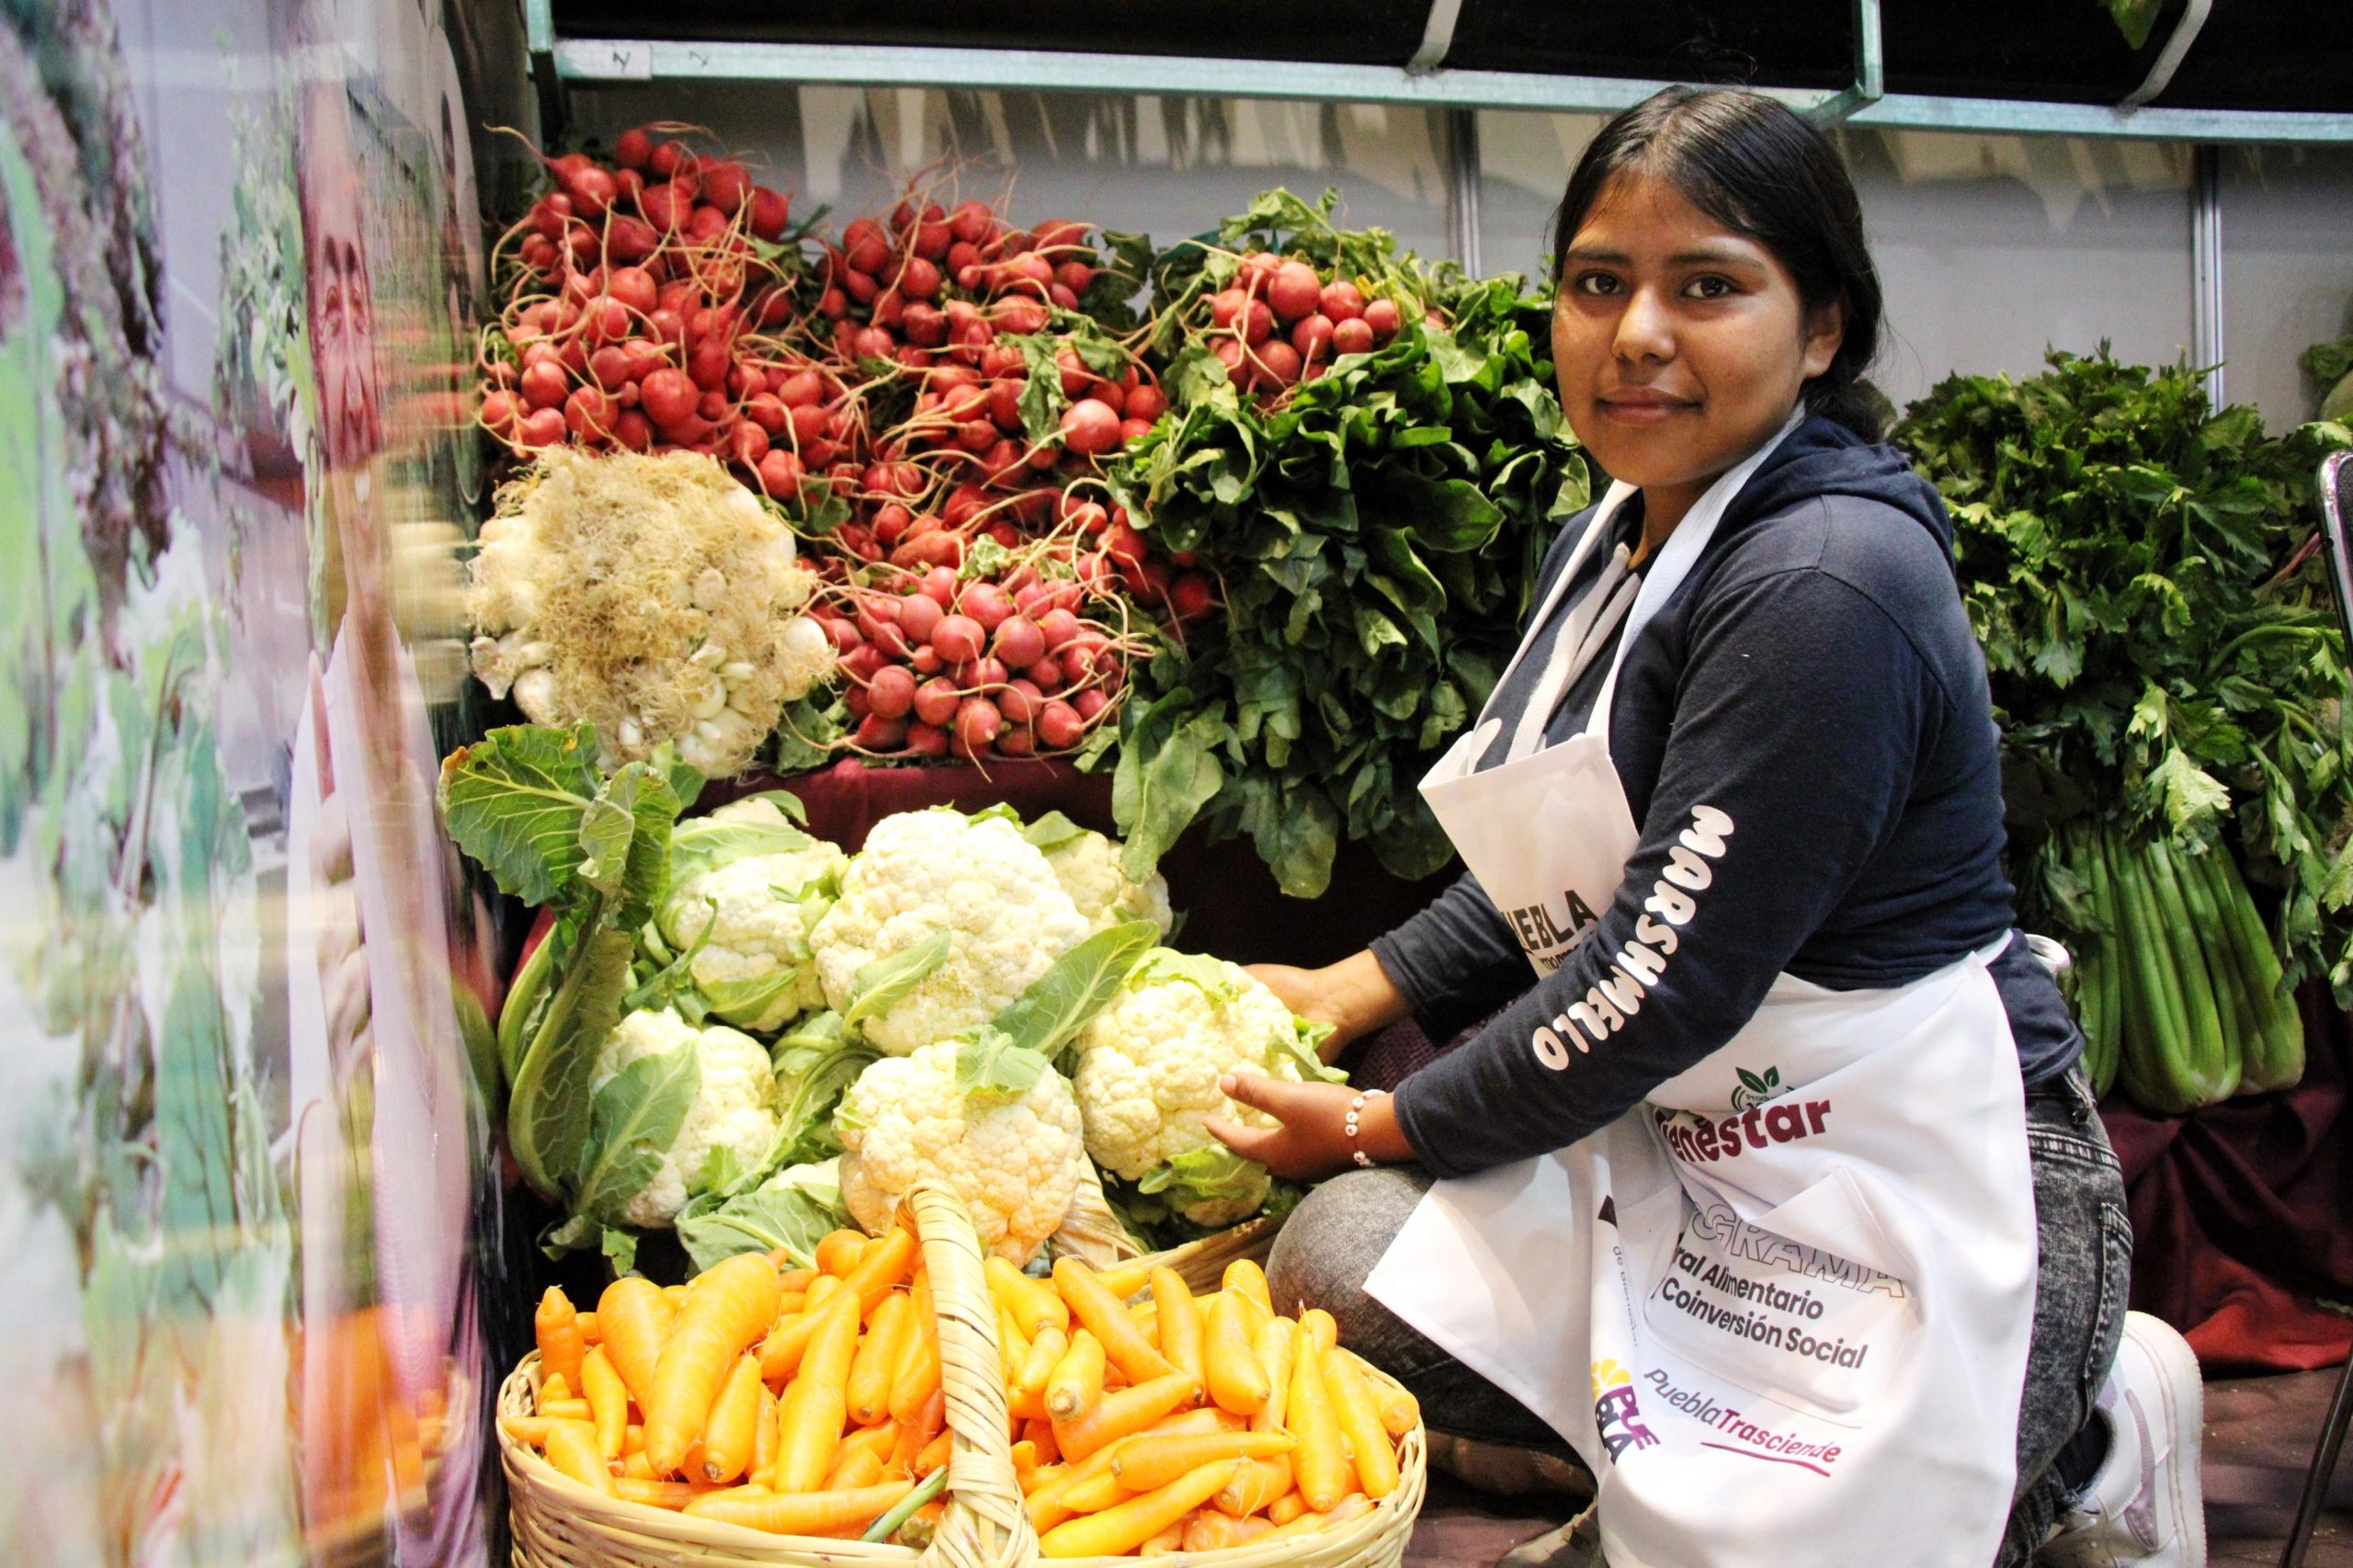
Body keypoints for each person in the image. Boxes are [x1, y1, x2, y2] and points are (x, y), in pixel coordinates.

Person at [1210, 86, 2204, 1568]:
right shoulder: (1618, 536)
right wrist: (1352, 985)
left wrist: (1376, 1116)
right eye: (1599, 283)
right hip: (1696, 1150)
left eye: (1710, 285)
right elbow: (1579, 848)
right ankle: (1733, 1468)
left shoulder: (1824, 583)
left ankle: (2085, 1420)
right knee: (1344, 1263)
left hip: (1911, 1181)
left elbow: (1657, 976)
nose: (1639, 334)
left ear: (1823, 329)